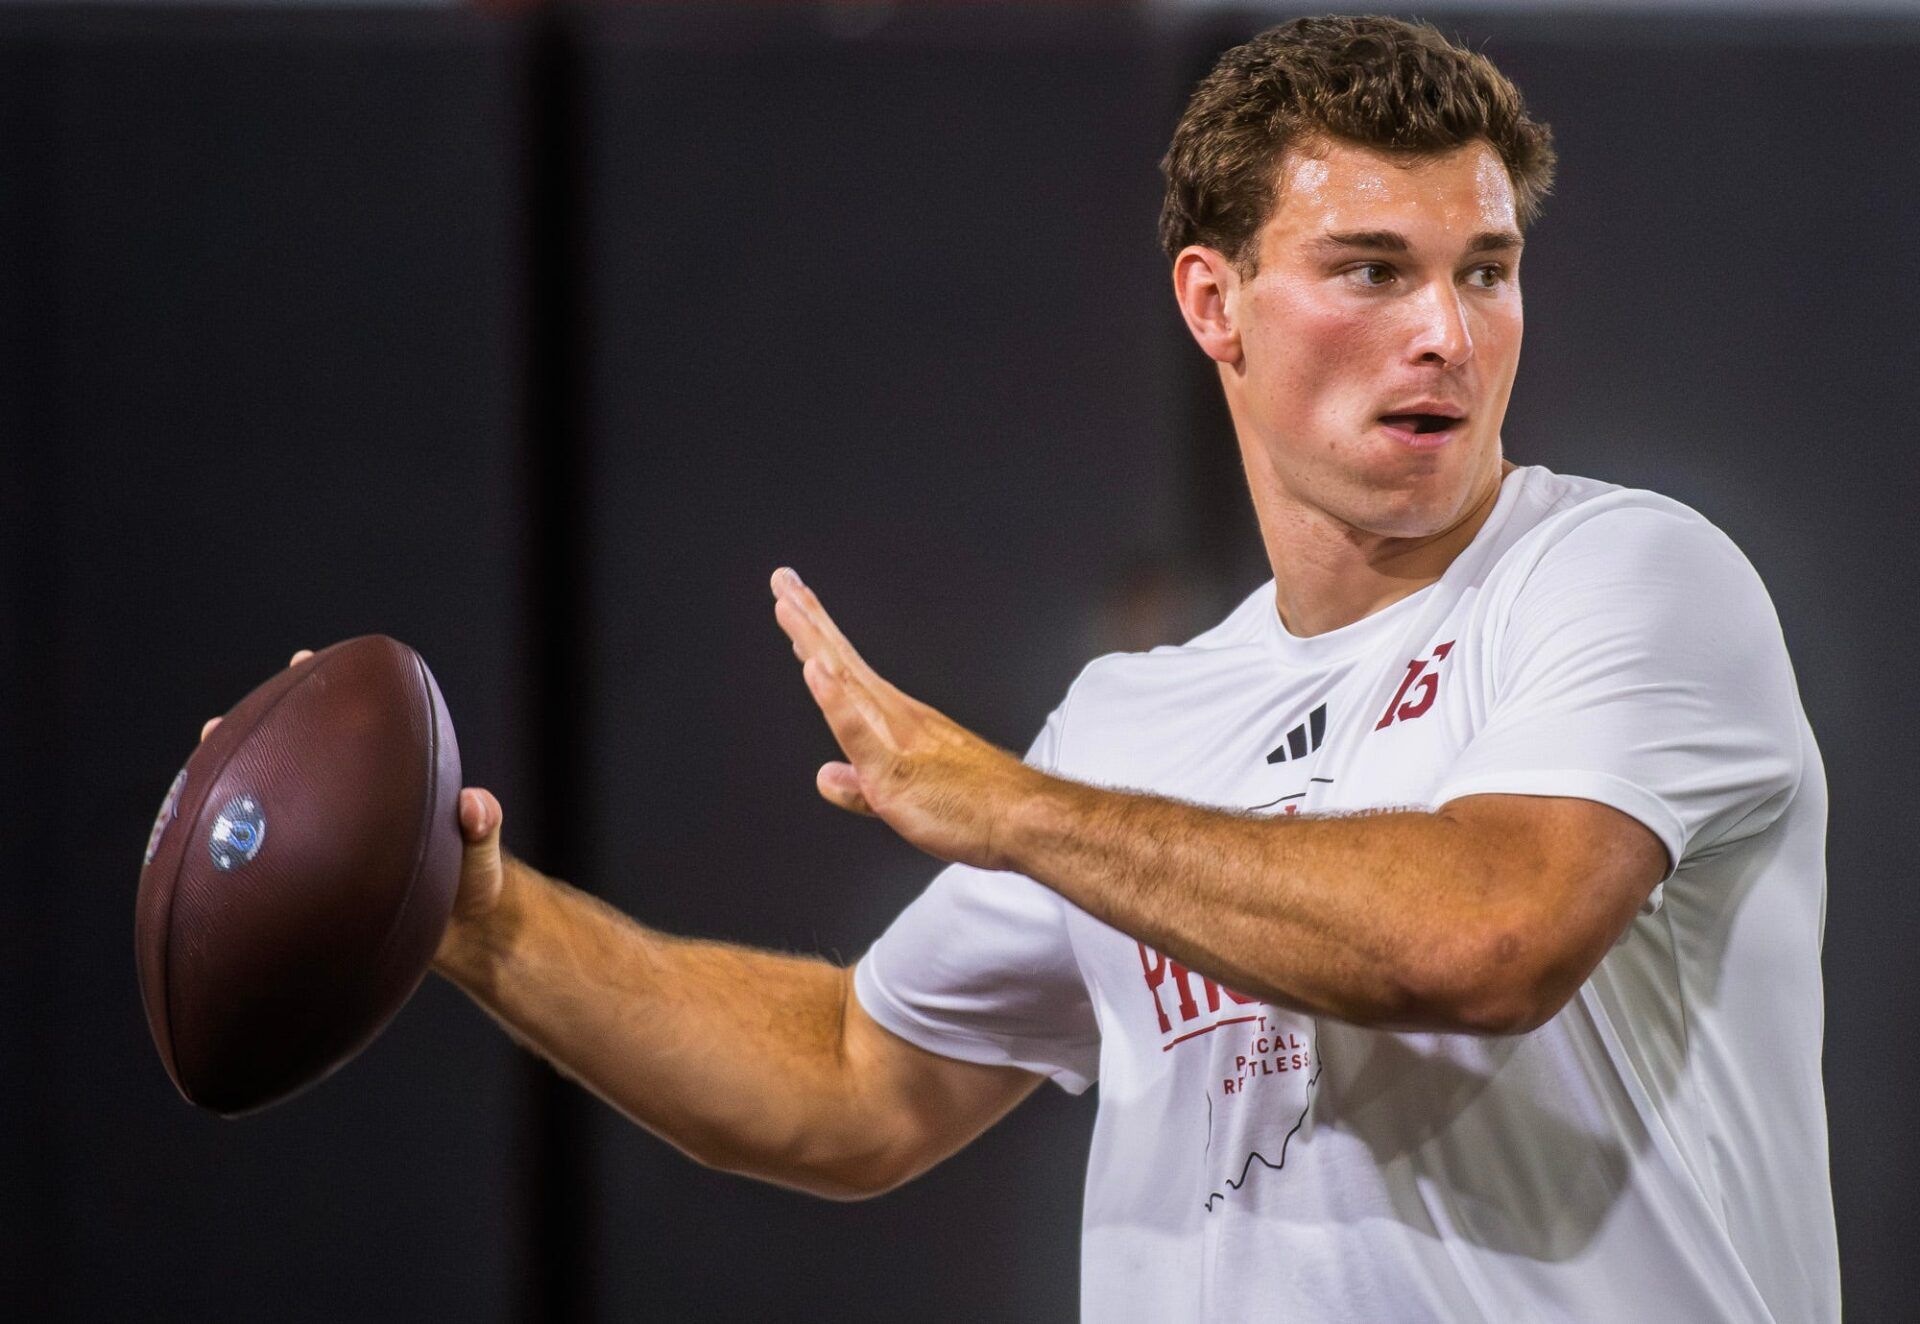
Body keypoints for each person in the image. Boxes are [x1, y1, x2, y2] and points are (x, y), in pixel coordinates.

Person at [225, 15, 1837, 1320]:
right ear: (1216, 303)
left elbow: (1488, 936)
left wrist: (1019, 812)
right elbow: (851, 1084)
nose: (1449, 334)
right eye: (1370, 270)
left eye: (1483, 269)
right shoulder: (1131, 724)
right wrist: (476, 916)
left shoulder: (1622, 573)